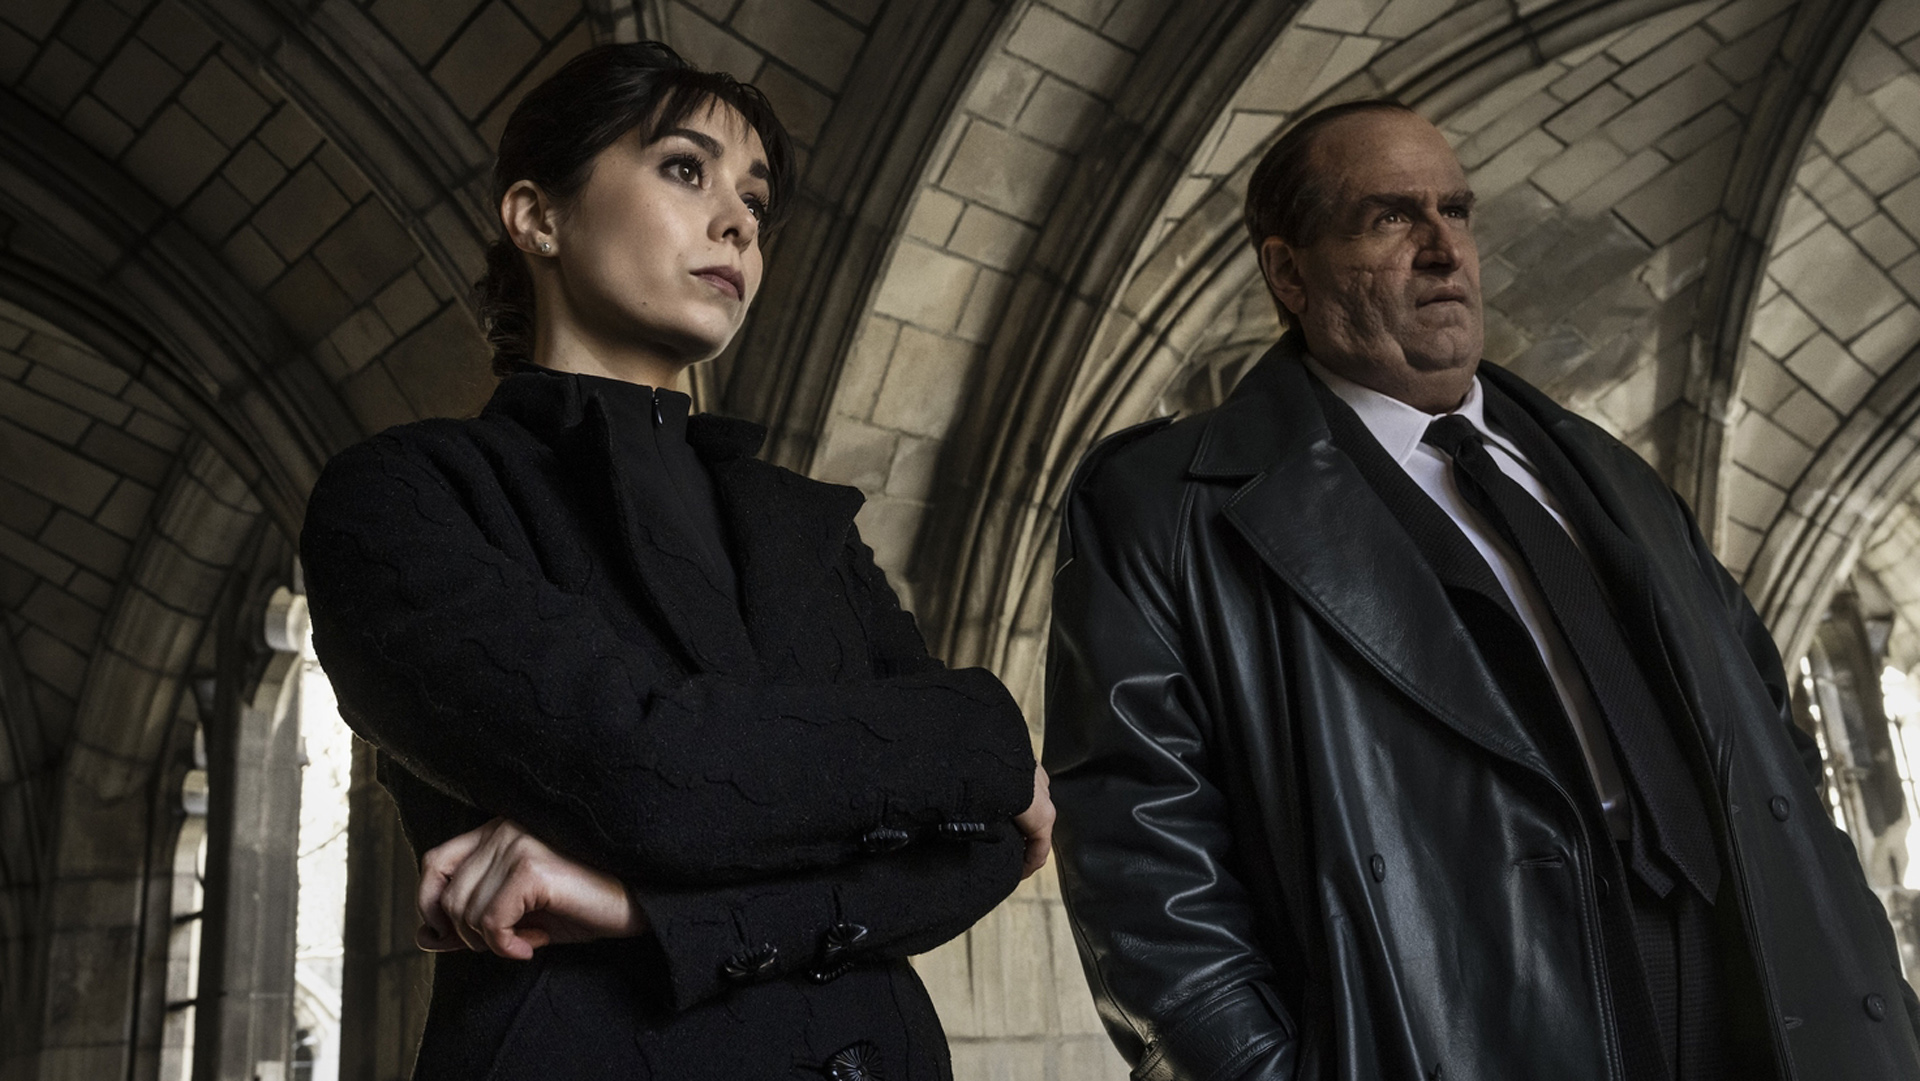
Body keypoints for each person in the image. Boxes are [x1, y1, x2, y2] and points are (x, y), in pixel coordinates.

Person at [1044, 98, 1920, 1081]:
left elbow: (1769, 735)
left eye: (1456, 212)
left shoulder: (1608, 473)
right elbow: (1143, 869)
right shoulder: (1166, 510)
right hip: (1452, 1029)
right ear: (1289, 271)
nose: (1443, 249)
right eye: (1390, 217)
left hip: (1758, 999)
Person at [301, 42, 1051, 1081]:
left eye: (755, 195)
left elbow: (979, 849)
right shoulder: (401, 498)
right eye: (685, 169)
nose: (740, 220)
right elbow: (653, 775)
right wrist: (981, 728)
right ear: (537, 217)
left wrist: (643, 908)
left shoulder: (805, 527)